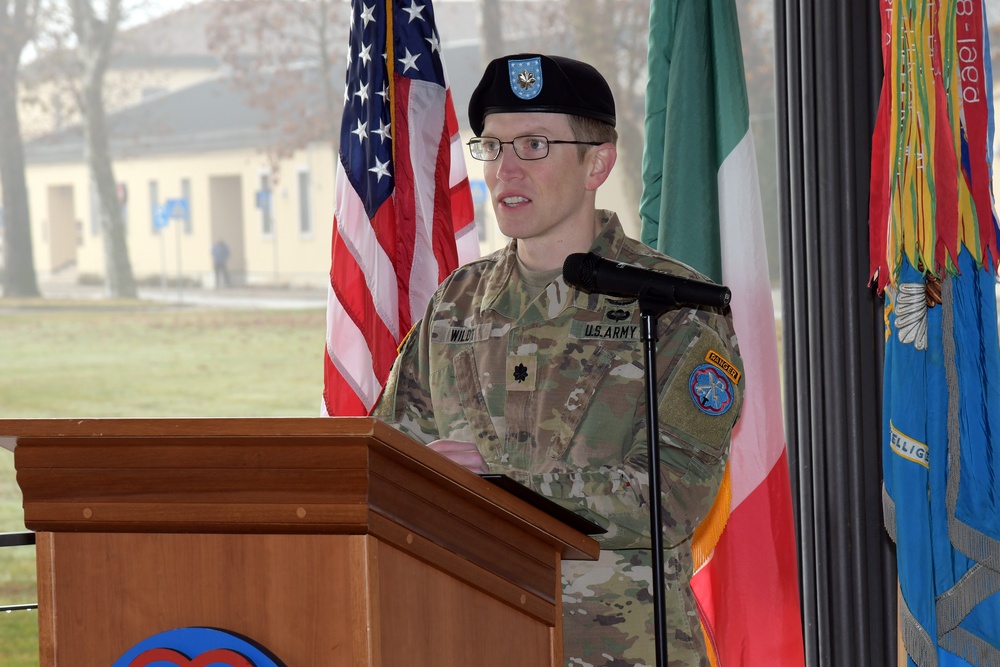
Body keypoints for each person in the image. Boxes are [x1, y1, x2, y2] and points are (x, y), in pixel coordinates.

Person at [372, 53, 744, 667]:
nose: (506, 169)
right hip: (471, 638)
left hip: (618, 652)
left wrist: (496, 479)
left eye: (535, 145)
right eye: (492, 147)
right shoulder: (454, 306)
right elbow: (389, 466)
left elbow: (670, 501)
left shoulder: (675, 309)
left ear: (598, 161)